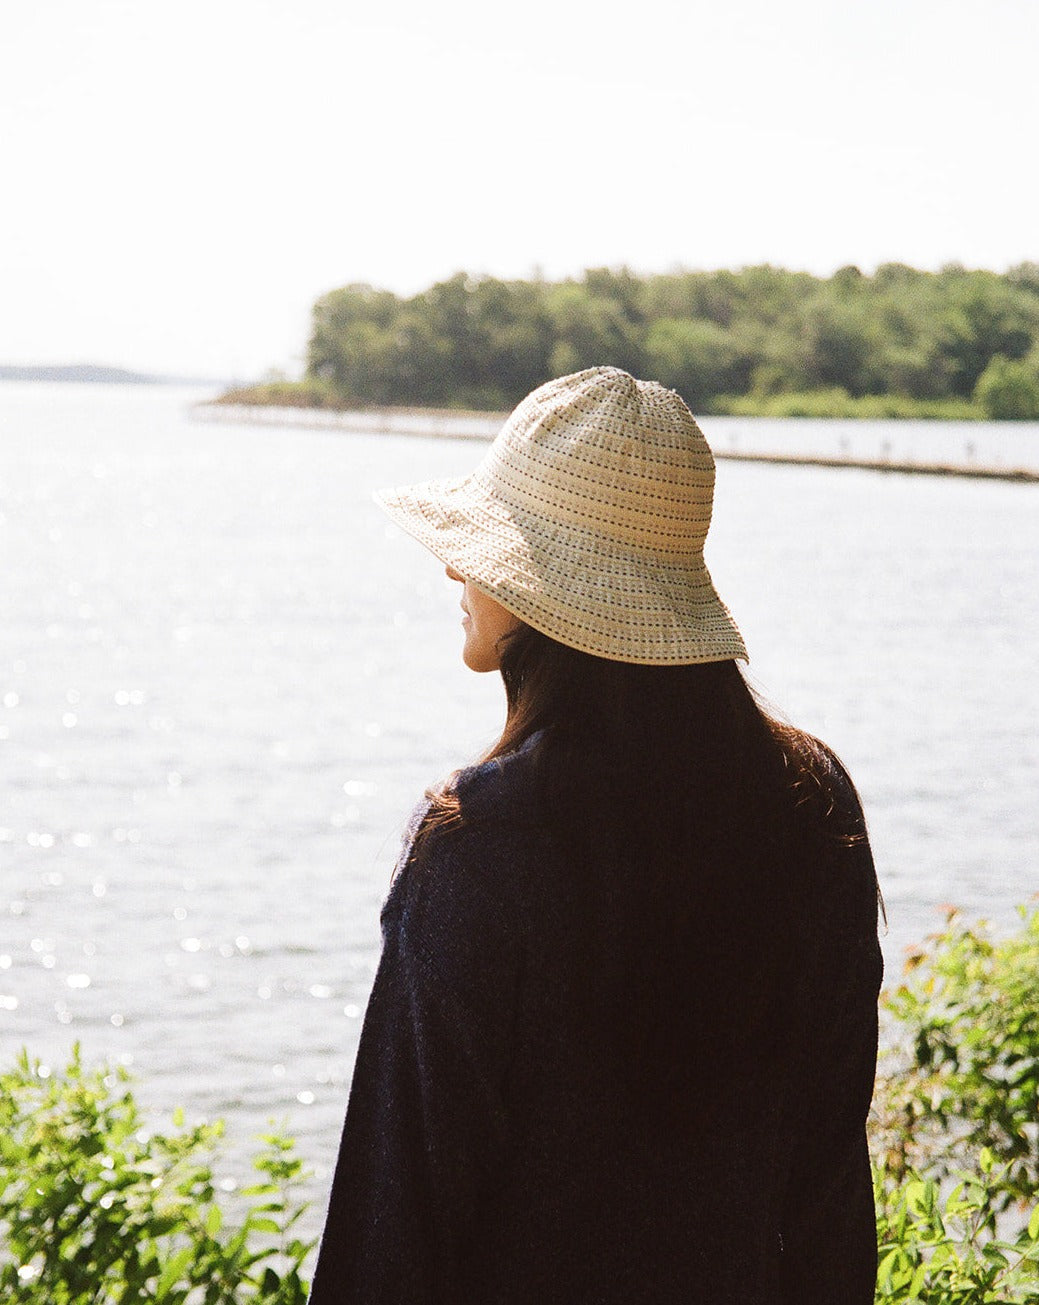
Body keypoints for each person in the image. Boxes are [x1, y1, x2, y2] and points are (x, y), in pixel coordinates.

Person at [308, 367, 884, 1304]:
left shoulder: (476, 842)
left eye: (483, 551)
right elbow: (827, 1185)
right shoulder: (809, 802)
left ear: (539, 586)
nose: (454, 569)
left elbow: (395, 1219)